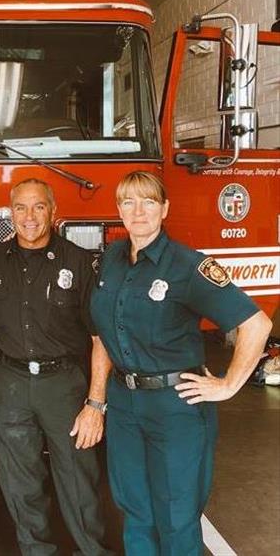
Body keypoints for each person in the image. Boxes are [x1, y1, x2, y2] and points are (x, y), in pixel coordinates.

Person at [90, 171, 272, 555]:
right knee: (136, 511)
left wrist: (227, 385)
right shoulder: (111, 260)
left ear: (165, 208)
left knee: (176, 517)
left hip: (175, 408)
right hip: (124, 404)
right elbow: (104, 333)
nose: (138, 211)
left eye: (148, 202)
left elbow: (256, 324)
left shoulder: (189, 267)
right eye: (128, 202)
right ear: (119, 209)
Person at [0, 178, 113, 556]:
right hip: (10, 384)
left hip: (65, 385)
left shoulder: (78, 260)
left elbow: (98, 337)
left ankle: (93, 550)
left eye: (39, 207)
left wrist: (95, 404)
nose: (30, 216)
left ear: (54, 212)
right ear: (10, 214)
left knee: (77, 479)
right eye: (21, 208)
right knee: (20, 483)